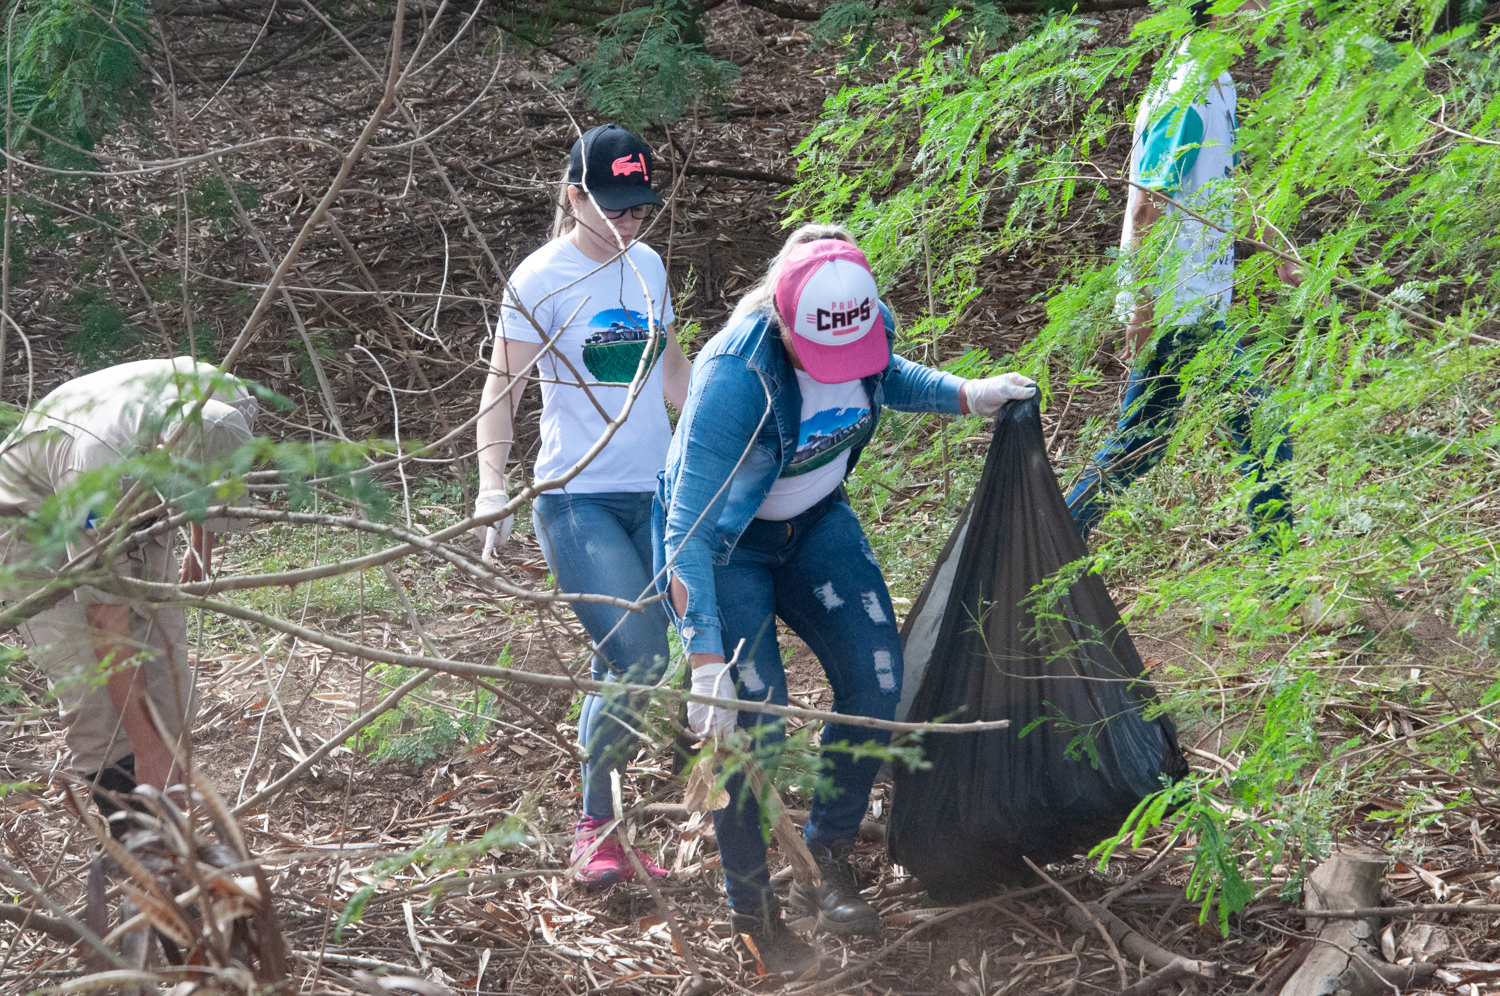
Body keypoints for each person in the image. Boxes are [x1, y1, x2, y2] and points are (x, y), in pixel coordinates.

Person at [654, 226, 1037, 974]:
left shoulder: (863, 321)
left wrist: (969, 394)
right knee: (753, 724)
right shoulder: (735, 374)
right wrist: (703, 660)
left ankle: (827, 855)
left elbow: (886, 375)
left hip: (816, 523)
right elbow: (686, 528)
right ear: (784, 320)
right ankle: (754, 913)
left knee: (876, 680)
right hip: (727, 547)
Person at [473, 123, 691, 885]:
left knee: (624, 661)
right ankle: (594, 829)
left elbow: (672, 372)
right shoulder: (539, 280)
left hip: (656, 492)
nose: (631, 222)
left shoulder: (649, 267)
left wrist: (723, 440)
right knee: (640, 656)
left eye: (640, 208)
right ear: (575, 197)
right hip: (577, 499)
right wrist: (492, 485)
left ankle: (612, 829)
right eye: (616, 207)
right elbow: (501, 390)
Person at [1064, 0, 1295, 545]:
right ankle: (1282, 577)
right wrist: (1143, 311)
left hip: (1195, 299)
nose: (1268, 10)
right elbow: (1148, 207)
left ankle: (1048, 545)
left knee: (1139, 445)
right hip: (1178, 306)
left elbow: (1227, 188)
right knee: (1266, 433)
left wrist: (1280, 250)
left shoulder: (1220, 83)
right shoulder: (1186, 90)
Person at [0, 357, 259, 828]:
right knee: (100, 705)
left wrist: (199, 548)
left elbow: (218, 480)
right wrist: (147, 751)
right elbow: (107, 622)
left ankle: (173, 830)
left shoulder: (229, 403)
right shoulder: (94, 469)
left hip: (138, 498)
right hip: (38, 521)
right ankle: (135, 840)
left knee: (169, 679)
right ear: (163, 452)